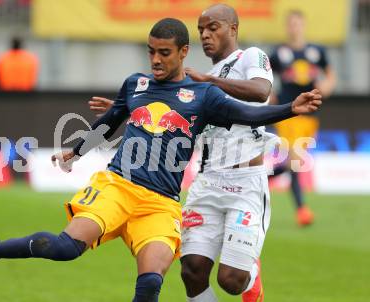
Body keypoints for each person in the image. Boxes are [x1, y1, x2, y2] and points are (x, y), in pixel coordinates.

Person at [0, 18, 321, 302]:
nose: (155, 60)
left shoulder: (204, 95)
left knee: (152, 281)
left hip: (160, 204)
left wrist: (290, 108)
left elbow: (249, 114)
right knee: (63, 249)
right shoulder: (135, 85)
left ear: (183, 52)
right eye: (151, 52)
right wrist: (75, 151)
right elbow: (109, 122)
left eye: (164, 53)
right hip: (118, 187)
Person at [90, 4, 275, 302]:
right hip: (208, 182)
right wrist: (121, 105)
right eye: (201, 29)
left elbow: (260, 91)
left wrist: (209, 80)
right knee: (191, 270)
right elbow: (172, 105)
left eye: (213, 27)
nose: (205, 34)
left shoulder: (250, 57)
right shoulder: (196, 79)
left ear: (233, 29)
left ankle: (250, 272)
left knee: (231, 281)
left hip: (245, 182)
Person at [269, 10, 336, 226]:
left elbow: (330, 75)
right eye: (291, 24)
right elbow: (265, 76)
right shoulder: (279, 53)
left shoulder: (317, 51)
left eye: (298, 24)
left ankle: (260, 178)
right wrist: (270, 95)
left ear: (303, 26)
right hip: (288, 113)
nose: (295, 28)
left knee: (293, 163)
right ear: (288, 27)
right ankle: (302, 210)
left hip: (310, 115)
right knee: (295, 160)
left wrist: (327, 86)